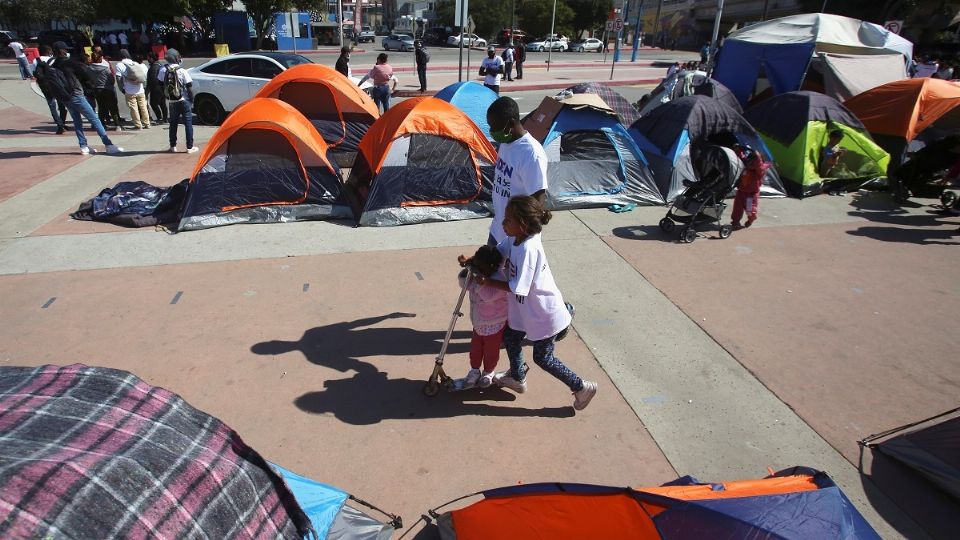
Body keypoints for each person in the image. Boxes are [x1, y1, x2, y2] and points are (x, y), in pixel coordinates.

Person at [471, 196, 598, 410]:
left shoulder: (529, 249)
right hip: (525, 310)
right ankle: (518, 377)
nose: (503, 224)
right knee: (511, 337)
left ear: (522, 224)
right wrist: (474, 262)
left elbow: (518, 287)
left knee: (543, 358)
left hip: (543, 313)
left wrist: (488, 281)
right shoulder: (515, 239)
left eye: (508, 220)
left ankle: (582, 387)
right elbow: (497, 253)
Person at [486, 96, 548, 245]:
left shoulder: (531, 154)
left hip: (516, 238)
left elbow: (538, 201)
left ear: (511, 123)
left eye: (495, 127)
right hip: (498, 230)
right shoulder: (506, 143)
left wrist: (520, 240)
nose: (493, 131)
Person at [49, 41, 123, 155]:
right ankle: (108, 144)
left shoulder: (54, 64)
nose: (67, 51)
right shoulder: (70, 63)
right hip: (76, 94)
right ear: (62, 51)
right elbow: (86, 74)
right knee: (94, 119)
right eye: (65, 50)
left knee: (77, 120)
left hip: (64, 97)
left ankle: (83, 146)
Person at [454, 245, 508, 388]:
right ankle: (474, 370)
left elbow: (488, 297)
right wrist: (467, 272)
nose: (479, 270)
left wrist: (479, 281)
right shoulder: (479, 274)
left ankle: (488, 372)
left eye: (481, 267)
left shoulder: (499, 279)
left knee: (491, 350)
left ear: (491, 266)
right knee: (475, 348)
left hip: (495, 323)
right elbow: (465, 285)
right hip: (478, 321)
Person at [157, 48, 199, 153]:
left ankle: (173, 146)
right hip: (183, 100)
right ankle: (190, 147)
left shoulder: (163, 70)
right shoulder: (182, 71)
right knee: (188, 123)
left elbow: (160, 84)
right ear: (176, 58)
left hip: (172, 101)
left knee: (173, 123)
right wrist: (191, 100)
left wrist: (167, 95)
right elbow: (189, 87)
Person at [730, 146, 768, 230]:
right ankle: (735, 222)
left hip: (751, 195)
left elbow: (759, 166)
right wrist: (738, 151)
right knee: (737, 209)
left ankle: (751, 219)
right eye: (749, 162)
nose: (749, 164)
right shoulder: (746, 167)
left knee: (750, 210)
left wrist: (757, 157)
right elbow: (741, 158)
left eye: (752, 163)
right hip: (741, 192)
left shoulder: (759, 171)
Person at [33, 45, 67, 134]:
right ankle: (63, 122)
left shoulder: (36, 60)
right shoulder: (54, 60)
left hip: (45, 85)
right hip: (56, 84)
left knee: (52, 105)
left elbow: (34, 73)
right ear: (49, 51)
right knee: (61, 105)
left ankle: (59, 125)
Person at [115, 49, 150, 129]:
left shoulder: (119, 65)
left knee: (133, 108)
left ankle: (138, 125)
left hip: (129, 90)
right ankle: (147, 123)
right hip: (140, 89)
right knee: (143, 106)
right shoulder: (134, 62)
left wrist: (122, 89)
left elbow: (118, 78)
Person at [89, 50, 123, 131]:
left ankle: (102, 124)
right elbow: (111, 79)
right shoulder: (105, 68)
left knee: (101, 107)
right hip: (107, 89)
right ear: (100, 59)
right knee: (112, 107)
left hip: (97, 89)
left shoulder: (89, 68)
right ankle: (117, 124)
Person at [819, 129, 847, 193]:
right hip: (826, 164)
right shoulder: (828, 146)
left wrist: (841, 152)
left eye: (839, 140)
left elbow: (838, 153)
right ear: (831, 138)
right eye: (837, 140)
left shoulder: (836, 146)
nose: (838, 142)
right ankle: (821, 187)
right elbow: (825, 153)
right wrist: (833, 154)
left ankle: (829, 186)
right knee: (824, 175)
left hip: (833, 164)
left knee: (831, 176)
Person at [145, 51, 167, 124]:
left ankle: (159, 118)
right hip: (162, 87)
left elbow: (152, 80)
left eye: (148, 58)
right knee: (162, 103)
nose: (147, 59)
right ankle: (164, 118)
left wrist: (147, 91)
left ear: (151, 58)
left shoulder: (153, 68)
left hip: (156, 88)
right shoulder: (161, 65)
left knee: (153, 104)